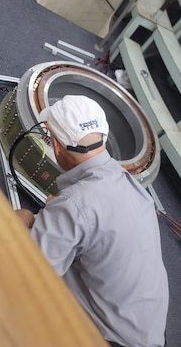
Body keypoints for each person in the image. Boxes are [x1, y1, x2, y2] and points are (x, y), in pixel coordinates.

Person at [16, 95, 169, 347]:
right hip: (151, 336)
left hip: (109, 339)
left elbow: (30, 271)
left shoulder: (76, 203)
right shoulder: (135, 190)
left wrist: (25, 219)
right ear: (103, 137)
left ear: (55, 145)